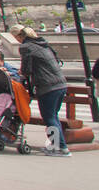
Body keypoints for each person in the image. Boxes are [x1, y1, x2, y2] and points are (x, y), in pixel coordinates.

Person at [14, 25, 69, 156]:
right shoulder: (43, 43)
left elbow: (26, 70)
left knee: (49, 118)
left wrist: (20, 73)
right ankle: (56, 145)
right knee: (53, 117)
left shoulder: (26, 47)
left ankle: (61, 148)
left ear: (19, 36)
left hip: (47, 86)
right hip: (60, 84)